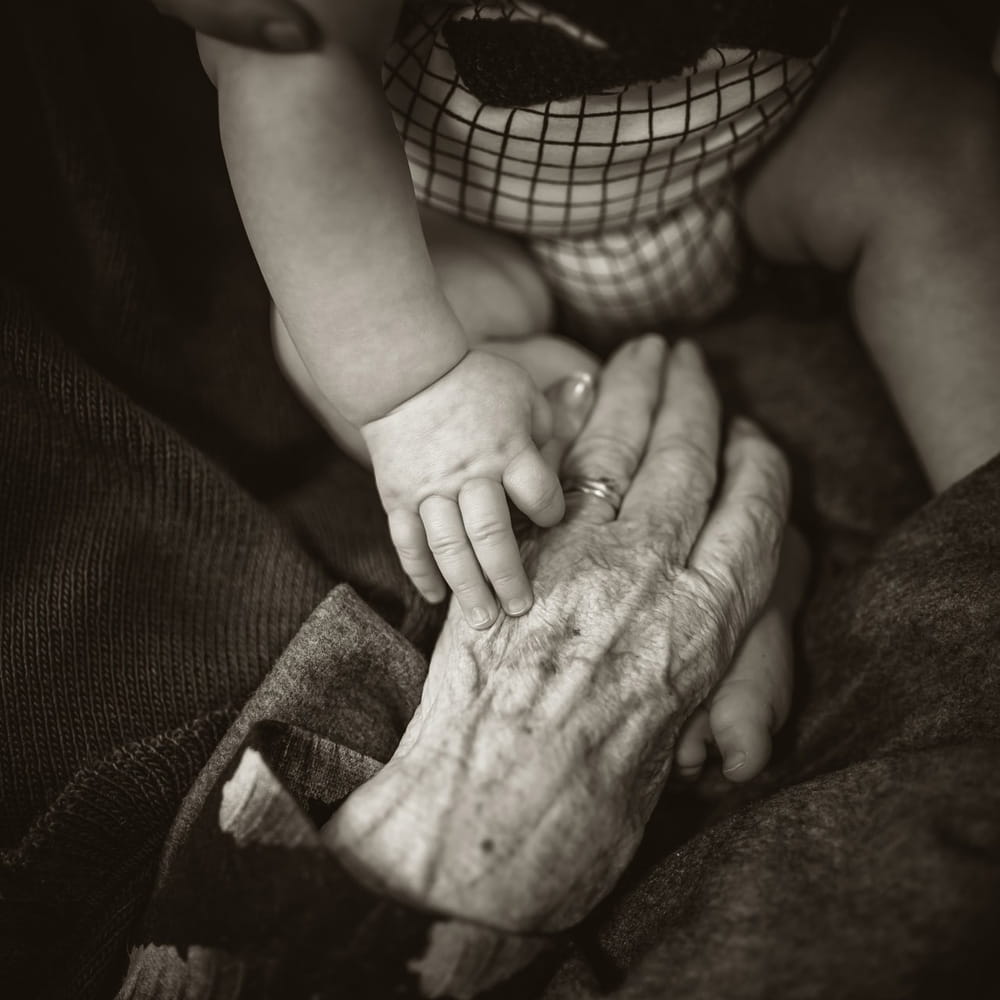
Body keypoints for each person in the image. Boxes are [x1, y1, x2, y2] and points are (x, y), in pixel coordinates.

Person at [187, 0, 1000, 784]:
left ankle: (980, 540)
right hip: (463, 220)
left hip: (774, 141)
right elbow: (292, 59)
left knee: (950, 153)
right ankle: (719, 581)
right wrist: (418, 391)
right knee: (349, 354)